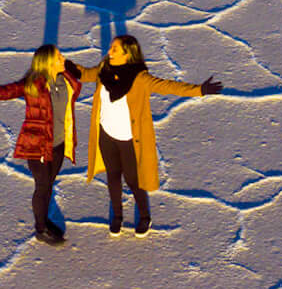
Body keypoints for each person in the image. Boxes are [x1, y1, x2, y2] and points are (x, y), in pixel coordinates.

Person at [73, 35, 220, 235]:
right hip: (106, 135)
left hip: (128, 139)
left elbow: (168, 86)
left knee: (134, 181)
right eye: (111, 48)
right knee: (113, 177)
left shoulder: (140, 79)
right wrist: (63, 64)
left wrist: (199, 90)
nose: (110, 52)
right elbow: (84, 74)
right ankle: (117, 216)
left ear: (127, 54)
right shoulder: (103, 69)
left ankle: (144, 216)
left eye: (115, 49)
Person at [0, 44, 82, 245]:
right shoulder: (33, 84)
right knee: (43, 186)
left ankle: (45, 218)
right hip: (37, 144)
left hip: (58, 144)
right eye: (58, 56)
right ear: (47, 63)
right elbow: (4, 92)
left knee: (48, 185)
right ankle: (41, 229)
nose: (62, 58)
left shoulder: (67, 78)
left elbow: (87, 74)